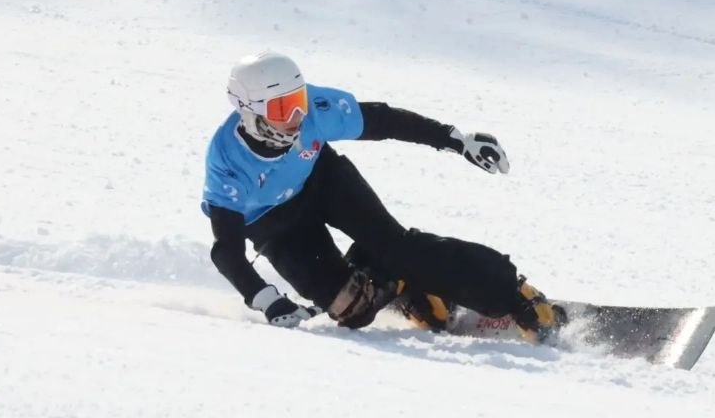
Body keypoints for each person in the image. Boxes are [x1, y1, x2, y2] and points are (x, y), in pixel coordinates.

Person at [200, 49, 558, 337]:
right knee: (352, 311)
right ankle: (399, 283)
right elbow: (226, 250)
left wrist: (455, 140)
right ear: (249, 110)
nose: (297, 115)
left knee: (398, 246)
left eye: (298, 100)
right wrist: (267, 300)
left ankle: (513, 294)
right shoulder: (226, 163)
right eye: (282, 108)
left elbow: (382, 120)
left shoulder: (315, 111)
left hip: (321, 180)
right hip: (274, 225)